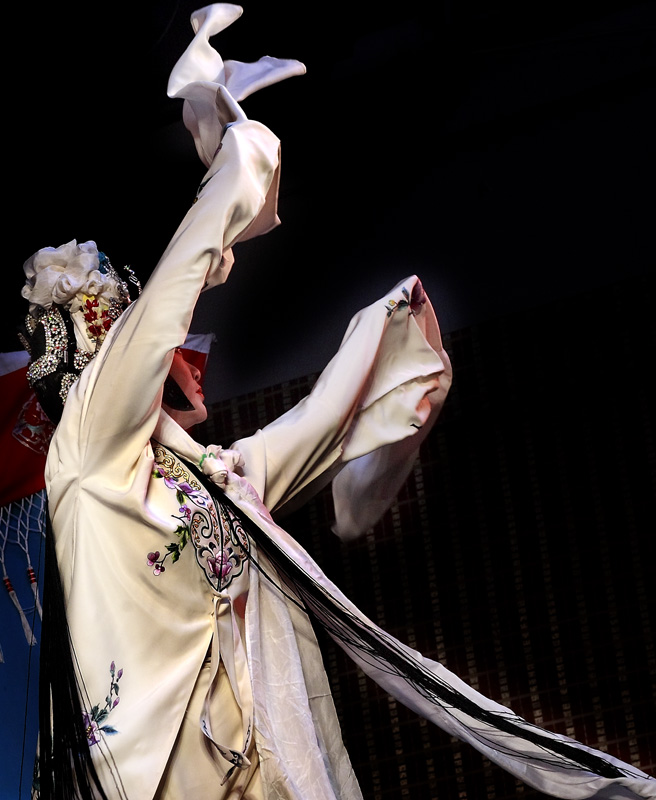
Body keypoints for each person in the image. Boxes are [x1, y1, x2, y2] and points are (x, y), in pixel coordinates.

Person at [20, 5, 656, 800]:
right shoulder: (85, 457)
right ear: (109, 366)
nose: (185, 359)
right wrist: (232, 174)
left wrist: (392, 340)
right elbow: (158, 318)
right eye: (150, 350)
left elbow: (317, 426)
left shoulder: (211, 483)